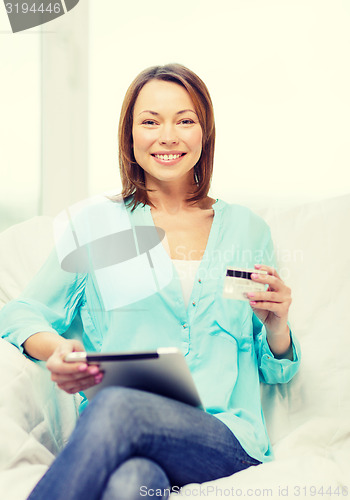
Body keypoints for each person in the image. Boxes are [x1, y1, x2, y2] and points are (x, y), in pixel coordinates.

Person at [0, 63, 301, 500]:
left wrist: (276, 326)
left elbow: (274, 369)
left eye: (185, 120)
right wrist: (58, 348)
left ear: (205, 133)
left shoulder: (247, 231)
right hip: (123, 440)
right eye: (150, 121)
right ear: (130, 135)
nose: (168, 135)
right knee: (131, 484)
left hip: (222, 438)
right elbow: (21, 313)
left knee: (118, 404)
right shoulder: (98, 227)